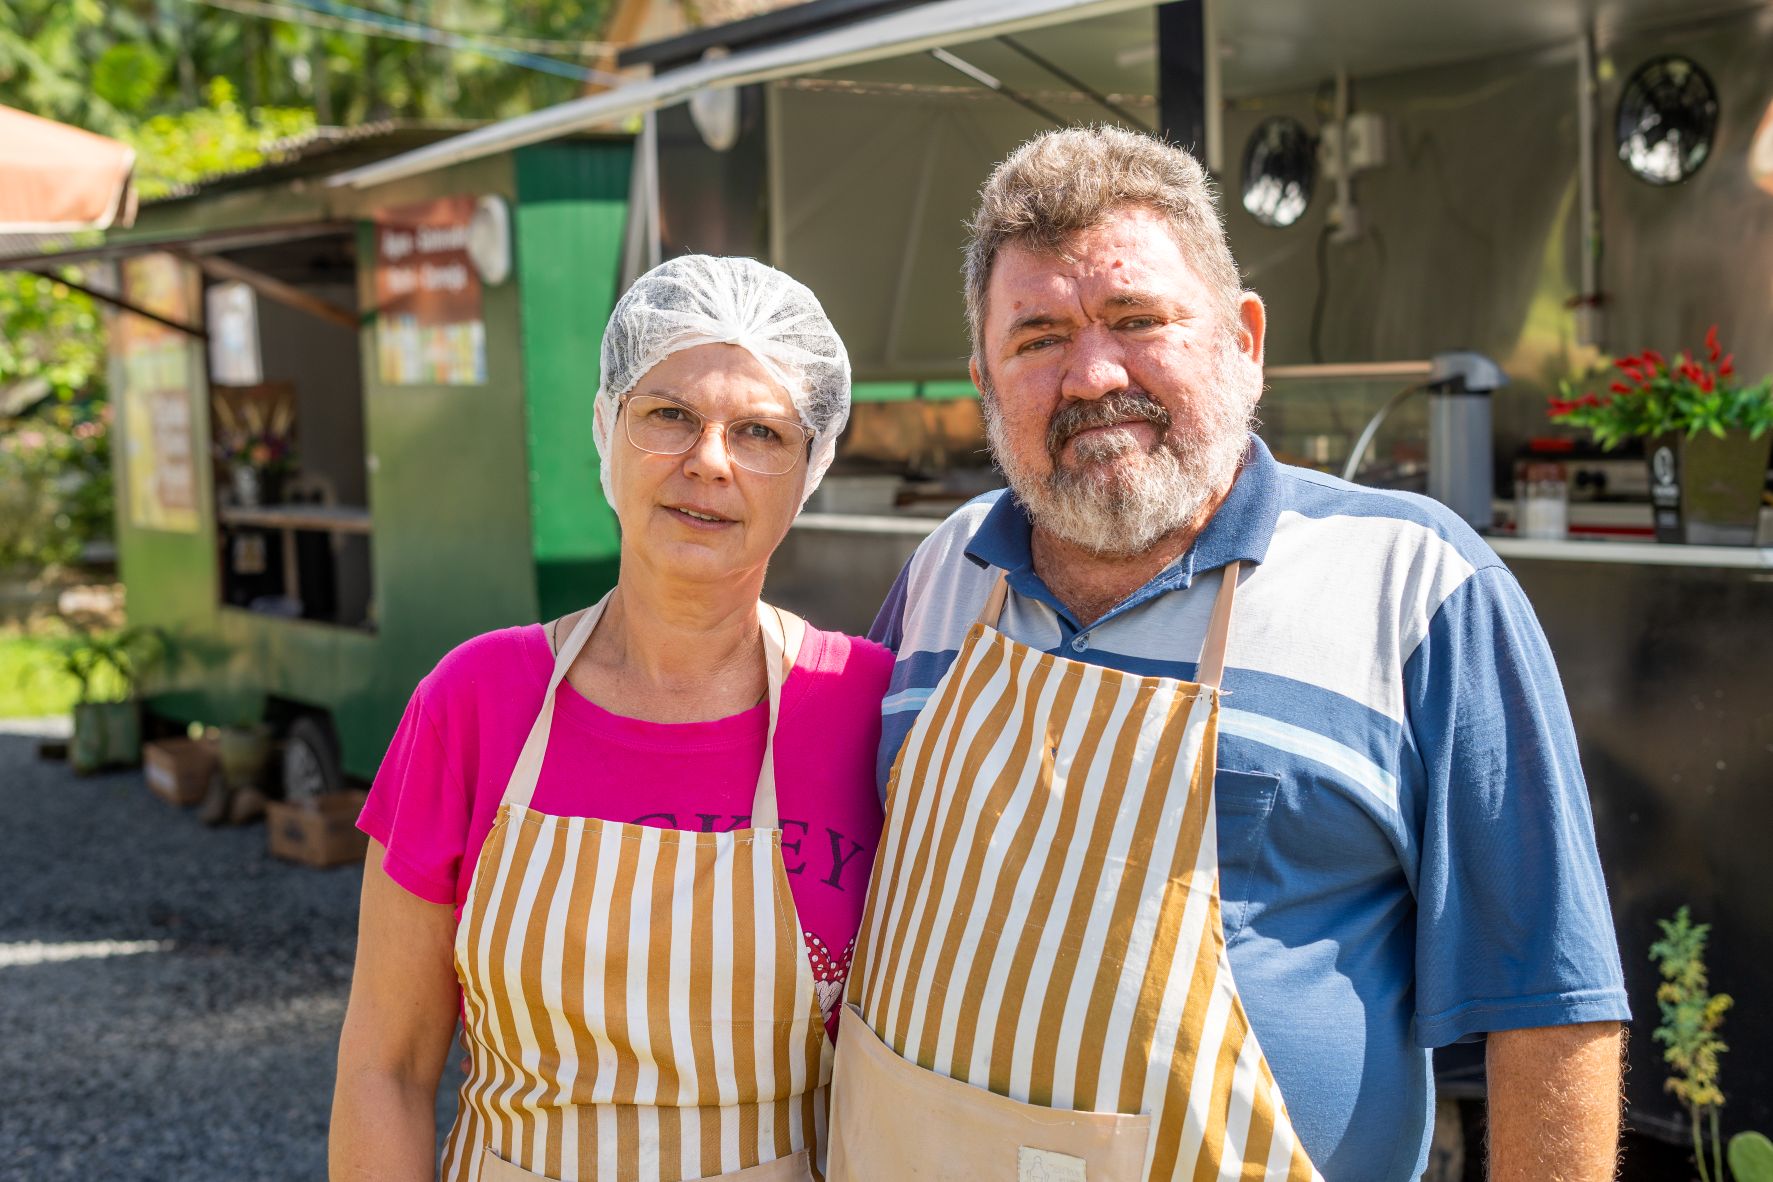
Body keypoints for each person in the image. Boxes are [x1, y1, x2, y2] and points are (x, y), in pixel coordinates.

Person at [827, 127, 1627, 1181]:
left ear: (1245, 339)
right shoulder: (940, 572)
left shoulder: (1413, 584)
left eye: (1137, 320)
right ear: (983, 376)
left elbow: (1549, 1005)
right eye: (1037, 338)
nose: (1092, 373)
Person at [331, 255, 891, 1182]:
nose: (707, 461)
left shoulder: (866, 708)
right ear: (606, 427)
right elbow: (384, 1068)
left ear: (809, 471)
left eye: (759, 432)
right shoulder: (475, 701)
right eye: (669, 414)